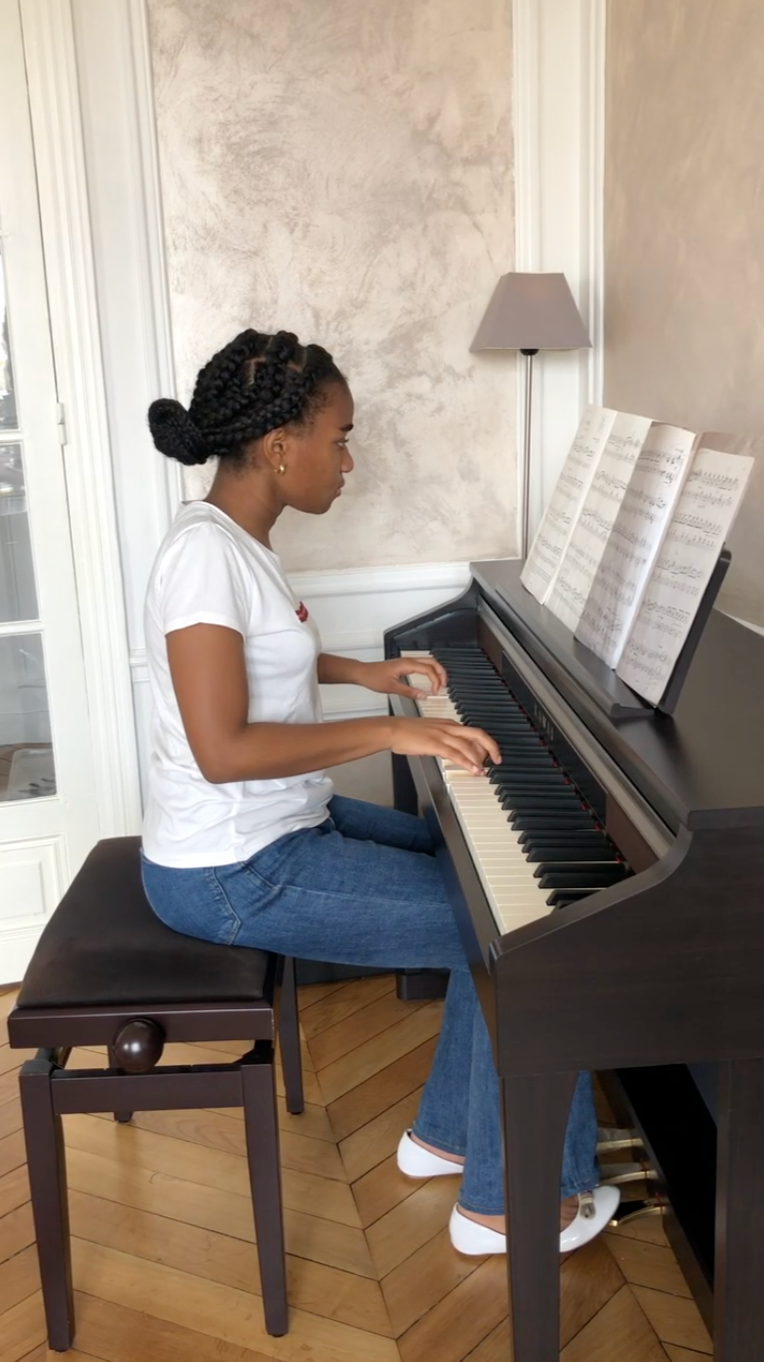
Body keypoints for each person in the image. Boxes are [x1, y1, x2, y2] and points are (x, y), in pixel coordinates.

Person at [141, 328, 619, 1257]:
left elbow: (250, 655)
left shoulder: (229, 541)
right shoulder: (205, 557)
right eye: (342, 436)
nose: (350, 460)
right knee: (532, 934)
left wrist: (361, 672)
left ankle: (445, 1135)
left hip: (276, 831)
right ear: (281, 448)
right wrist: (393, 730)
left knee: (478, 875)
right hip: (236, 871)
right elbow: (223, 748)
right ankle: (515, 1203)